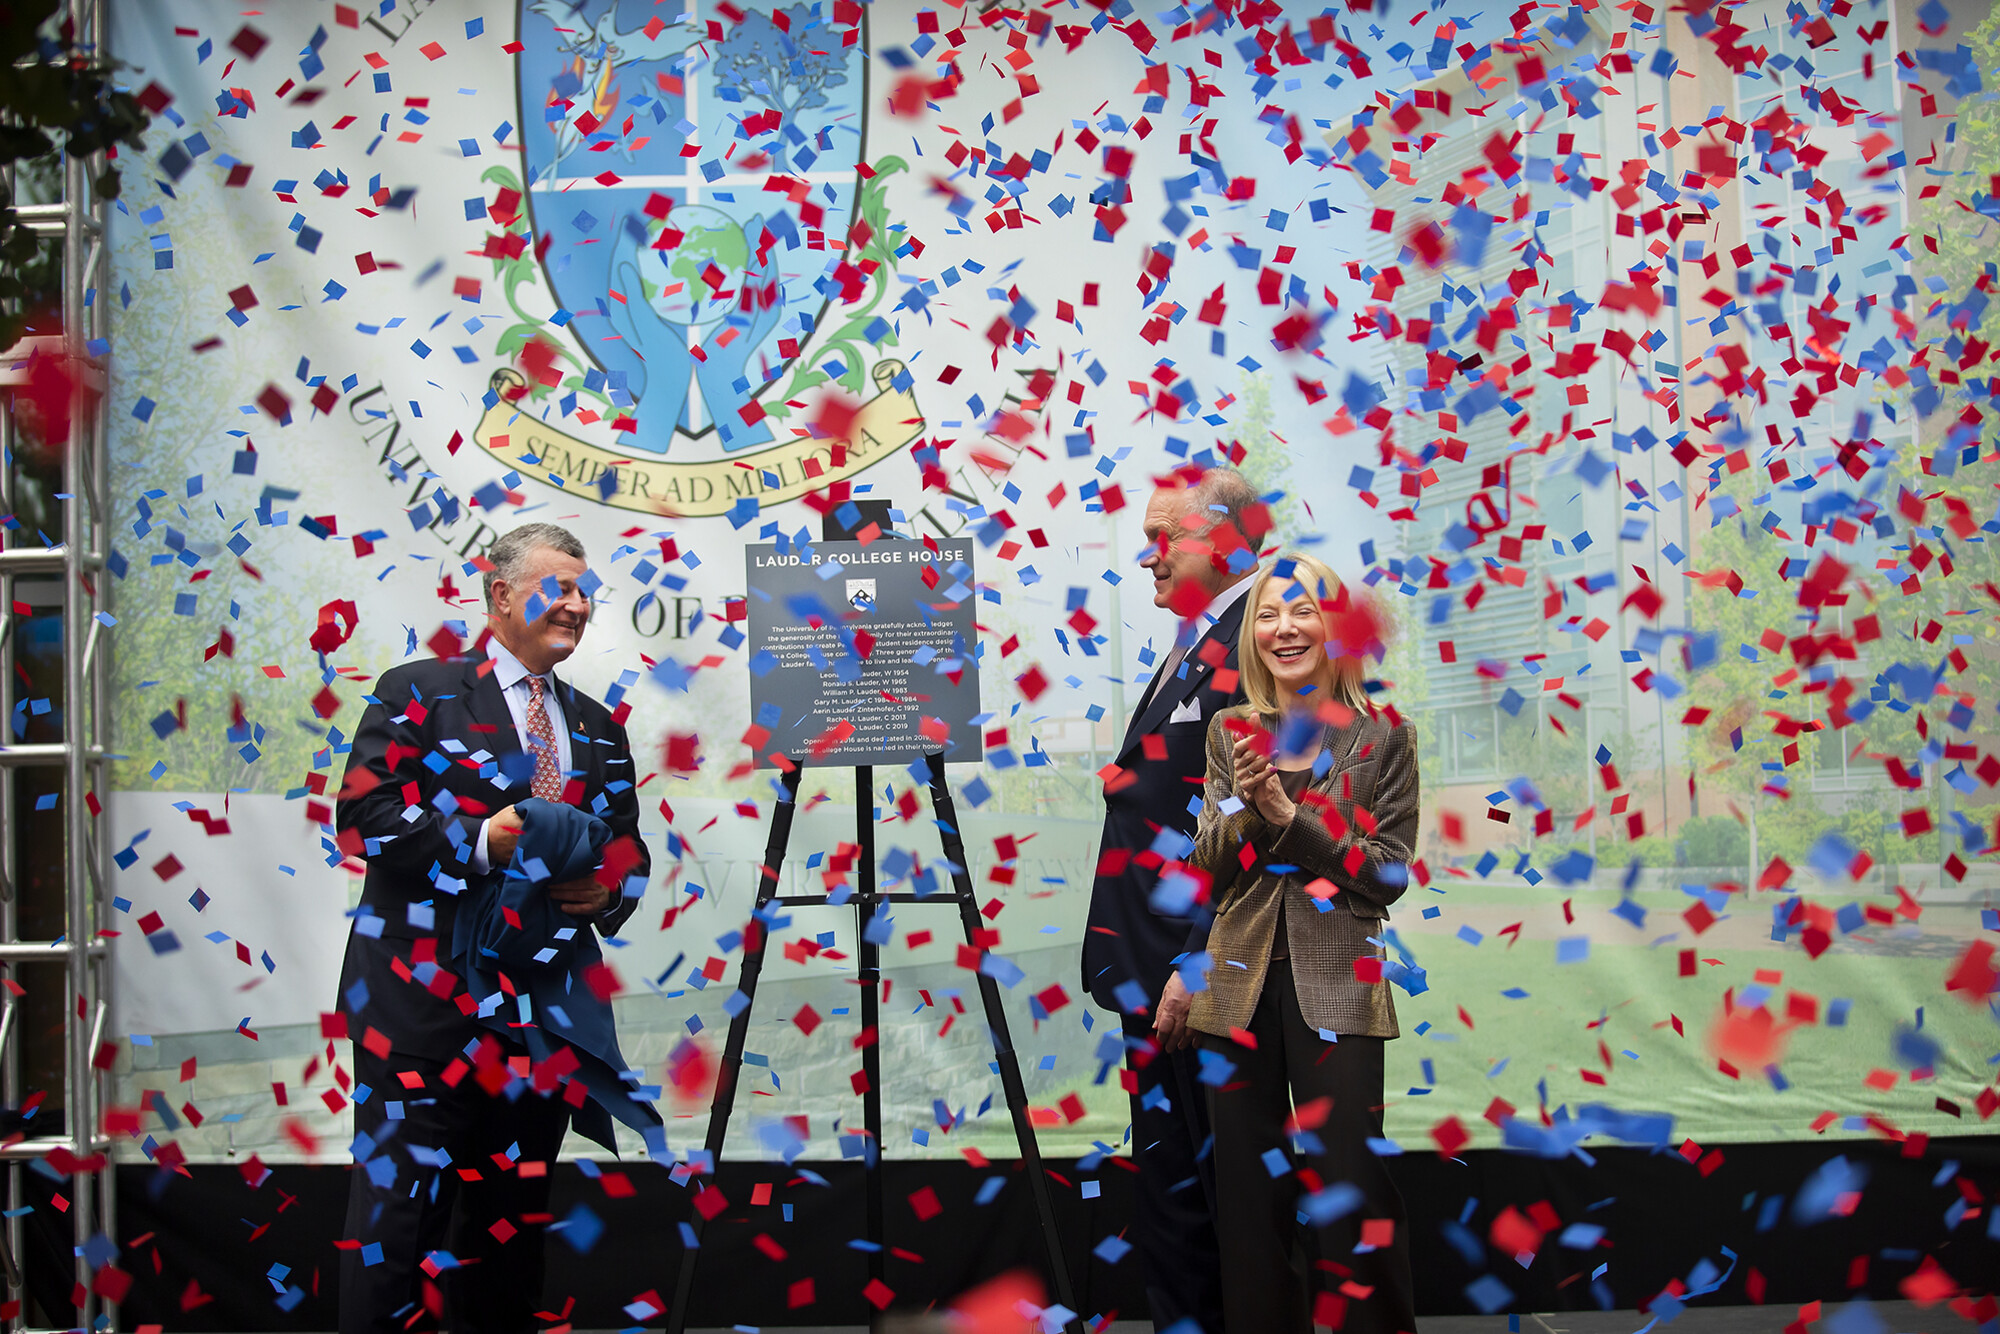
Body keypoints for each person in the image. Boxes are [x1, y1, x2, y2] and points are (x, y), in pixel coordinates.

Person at [333, 522, 650, 1333]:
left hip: (537, 1022)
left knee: (507, 1239)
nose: (578, 605)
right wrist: (479, 841)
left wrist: (612, 885)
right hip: (417, 1011)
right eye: (561, 587)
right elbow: (363, 818)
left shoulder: (599, 728)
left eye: (585, 591)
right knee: (396, 1233)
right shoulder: (415, 691)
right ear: (502, 594)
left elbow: (627, 846)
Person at [1185, 551, 1419, 1334]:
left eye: (1304, 611)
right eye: (1267, 616)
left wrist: (1291, 817)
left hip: (1338, 986)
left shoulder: (1385, 737)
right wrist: (1250, 808)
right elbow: (1208, 869)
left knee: (1351, 1193)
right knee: (1251, 1208)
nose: (1285, 629)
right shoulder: (1229, 731)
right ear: (1252, 635)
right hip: (1235, 987)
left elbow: (1386, 877)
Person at [1083, 465, 1265, 1333]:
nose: (1148, 556)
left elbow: (1254, 821)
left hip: (1193, 984)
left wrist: (1199, 962)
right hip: (1152, 978)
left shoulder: (1256, 637)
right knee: (1174, 1198)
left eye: (1166, 536)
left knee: (1218, 1202)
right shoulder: (1200, 637)